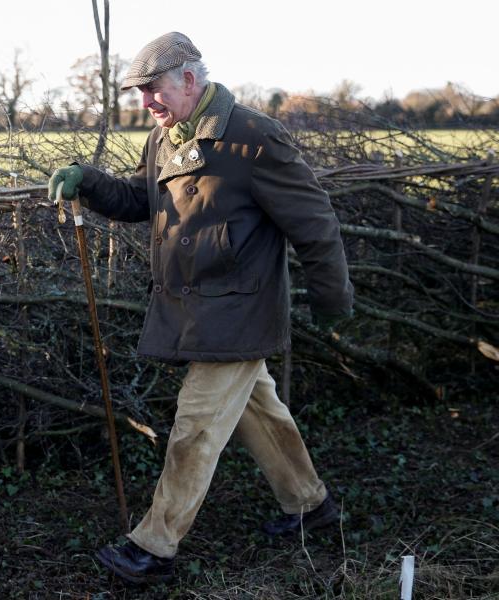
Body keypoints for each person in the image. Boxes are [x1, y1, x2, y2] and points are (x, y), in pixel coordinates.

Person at [48, 32, 354, 584]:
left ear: (189, 79)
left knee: (194, 428)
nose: (147, 104)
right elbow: (142, 201)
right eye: (140, 94)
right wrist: (88, 182)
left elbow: (314, 224)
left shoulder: (254, 137)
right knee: (261, 411)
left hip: (240, 312)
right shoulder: (164, 139)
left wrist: (332, 299)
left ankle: (154, 547)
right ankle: (313, 506)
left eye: (153, 90)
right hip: (196, 311)